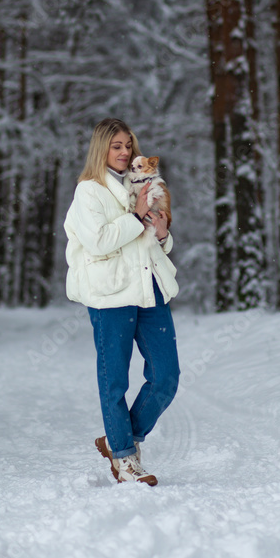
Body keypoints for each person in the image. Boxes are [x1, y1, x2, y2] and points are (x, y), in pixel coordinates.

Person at [64, 118, 180, 486]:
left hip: (149, 288)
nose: (125, 152)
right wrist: (135, 215)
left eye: (128, 145)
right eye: (117, 146)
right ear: (101, 148)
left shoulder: (140, 182)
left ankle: (120, 439)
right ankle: (125, 459)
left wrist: (162, 234)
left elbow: (151, 236)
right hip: (110, 293)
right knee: (114, 380)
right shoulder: (89, 191)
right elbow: (98, 241)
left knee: (166, 376)